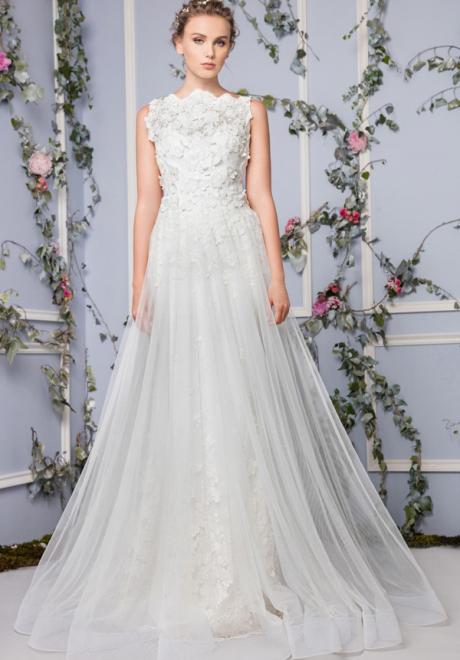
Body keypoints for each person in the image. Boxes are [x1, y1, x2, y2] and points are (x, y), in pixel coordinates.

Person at [14, 1, 448, 659]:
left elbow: (261, 196)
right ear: (177, 42)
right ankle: (185, 566)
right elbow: (147, 202)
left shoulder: (249, 112)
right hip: (176, 259)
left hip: (235, 259)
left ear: (229, 48)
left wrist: (277, 276)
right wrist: (138, 283)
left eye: (220, 42)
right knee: (181, 402)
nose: (210, 52)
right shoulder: (152, 116)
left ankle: (252, 563)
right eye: (199, 40)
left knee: (240, 401)